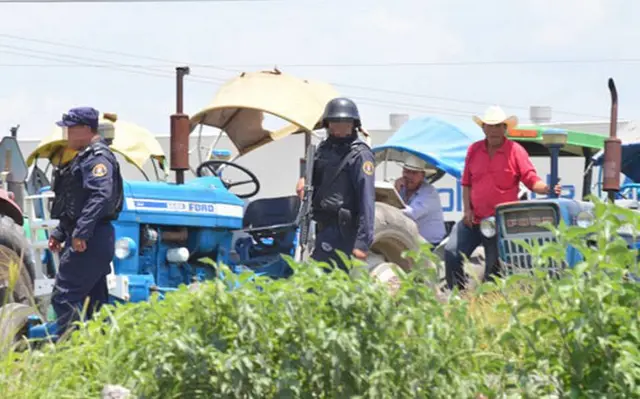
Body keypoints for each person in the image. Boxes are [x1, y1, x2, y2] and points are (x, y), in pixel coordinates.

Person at [444, 105, 561, 290]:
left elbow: (531, 180)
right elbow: (466, 183)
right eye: (490, 126)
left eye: (498, 126)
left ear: (505, 128)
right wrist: (467, 209)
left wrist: (547, 188)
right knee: (451, 252)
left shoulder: (516, 151)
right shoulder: (474, 150)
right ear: (483, 128)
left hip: (500, 222)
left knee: (494, 266)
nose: (494, 130)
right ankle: (457, 295)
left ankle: (489, 302)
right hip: (475, 218)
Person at [48, 107, 124, 336]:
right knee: (95, 305)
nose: (67, 135)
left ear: (84, 129)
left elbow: (100, 196)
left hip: (91, 238)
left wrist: (81, 232)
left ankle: (70, 352)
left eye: (70, 129)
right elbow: (76, 203)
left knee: (64, 296)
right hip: (91, 236)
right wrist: (61, 233)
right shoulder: (84, 157)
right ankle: (99, 354)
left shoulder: (97, 158)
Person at [295, 97, 376, 272]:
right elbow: (312, 177)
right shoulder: (324, 149)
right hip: (321, 224)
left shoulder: (360, 155)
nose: (337, 128)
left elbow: (367, 199)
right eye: (334, 123)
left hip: (343, 229)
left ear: (353, 125)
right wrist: (304, 179)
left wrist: (362, 242)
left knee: (321, 279)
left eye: (343, 123)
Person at [394, 154, 446, 245]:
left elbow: (411, 214)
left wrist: (393, 195)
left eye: (414, 173)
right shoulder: (401, 188)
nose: (409, 176)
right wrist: (396, 191)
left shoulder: (429, 192)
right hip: (411, 242)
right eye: (407, 171)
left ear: (422, 176)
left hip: (431, 245)